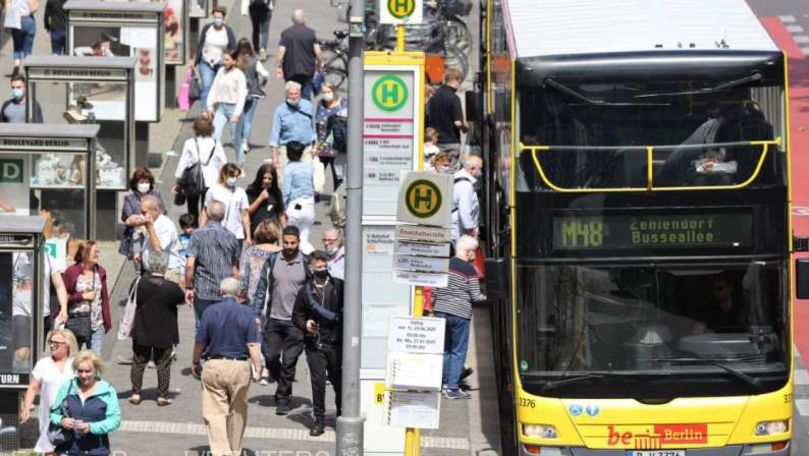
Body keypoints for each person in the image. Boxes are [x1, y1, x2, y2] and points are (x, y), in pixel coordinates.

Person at [192, 278, 262, 456]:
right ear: (239, 293)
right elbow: (253, 345)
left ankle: (222, 452)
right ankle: (235, 449)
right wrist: (258, 366)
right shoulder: (247, 313)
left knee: (215, 412)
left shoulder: (210, 311)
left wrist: (195, 361)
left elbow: (200, 341)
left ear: (220, 293)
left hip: (214, 364)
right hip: (239, 366)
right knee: (238, 411)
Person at [251, 225, 309, 415]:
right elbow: (261, 288)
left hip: (296, 322)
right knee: (271, 356)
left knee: (289, 362)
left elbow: (312, 293)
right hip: (274, 318)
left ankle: (283, 398)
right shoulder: (273, 260)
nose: (290, 246)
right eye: (286, 242)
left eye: (293, 243)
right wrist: (256, 312)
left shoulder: (305, 263)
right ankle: (279, 381)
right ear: (281, 241)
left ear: (299, 242)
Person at [292, 251, 343, 436]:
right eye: (318, 267)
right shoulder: (305, 291)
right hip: (315, 344)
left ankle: (341, 416)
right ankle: (319, 420)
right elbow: (296, 315)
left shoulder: (339, 286)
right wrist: (305, 324)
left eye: (324, 267)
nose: (322, 270)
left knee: (338, 382)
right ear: (311, 268)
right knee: (318, 383)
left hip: (336, 343)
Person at [128, 251, 185, 407]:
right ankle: (162, 395)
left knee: (138, 362)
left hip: (142, 329)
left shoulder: (138, 283)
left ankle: (136, 393)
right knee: (163, 363)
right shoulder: (171, 287)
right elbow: (181, 299)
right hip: (164, 332)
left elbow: (131, 297)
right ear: (165, 266)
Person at [432, 235, 486, 399]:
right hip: (460, 314)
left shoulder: (444, 265)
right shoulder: (469, 270)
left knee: (445, 349)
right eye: (474, 253)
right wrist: (487, 296)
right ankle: (452, 387)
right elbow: (476, 296)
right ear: (468, 252)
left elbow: (434, 291)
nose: (474, 256)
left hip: (441, 310)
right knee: (458, 351)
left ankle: (442, 383)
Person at [49, 350, 121, 455]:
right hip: (68, 450)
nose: (83, 375)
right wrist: (61, 420)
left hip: (96, 450)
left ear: (95, 370)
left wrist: (92, 427)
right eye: (80, 371)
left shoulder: (107, 390)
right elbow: (53, 413)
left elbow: (115, 420)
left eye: (88, 371)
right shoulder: (67, 387)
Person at [20, 328, 77, 456]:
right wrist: (26, 408)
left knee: (72, 448)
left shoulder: (75, 364)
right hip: (49, 415)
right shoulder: (43, 364)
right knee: (50, 448)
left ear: (67, 346)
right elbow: (33, 387)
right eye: (50, 341)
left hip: (72, 414)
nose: (52, 345)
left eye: (56, 343)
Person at [186, 201, 241, 328]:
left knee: (202, 327)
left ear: (208, 213)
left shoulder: (197, 235)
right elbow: (234, 270)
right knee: (222, 328)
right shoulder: (231, 237)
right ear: (224, 216)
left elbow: (190, 264)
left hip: (203, 289)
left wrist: (189, 286)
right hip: (224, 290)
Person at [174, 116, 228, 220]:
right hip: (212, 181)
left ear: (195, 129)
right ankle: (205, 229)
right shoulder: (216, 144)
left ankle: (193, 228)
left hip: (193, 180)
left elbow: (183, 163)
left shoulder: (190, 143)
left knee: (192, 207)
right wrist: (223, 181)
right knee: (207, 207)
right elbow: (223, 163)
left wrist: (178, 181)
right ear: (211, 129)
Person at [62, 242, 111, 353]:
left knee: (95, 362)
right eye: (95, 252)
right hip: (76, 322)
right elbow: (64, 296)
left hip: (96, 324)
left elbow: (104, 298)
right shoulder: (72, 271)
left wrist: (106, 320)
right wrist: (82, 296)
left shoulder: (100, 271)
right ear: (85, 253)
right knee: (73, 360)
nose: (97, 254)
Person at [120, 167, 166, 273]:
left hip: (154, 233)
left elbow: (162, 212)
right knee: (138, 268)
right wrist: (145, 220)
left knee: (154, 264)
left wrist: (139, 219)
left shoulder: (156, 195)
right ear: (136, 183)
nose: (144, 184)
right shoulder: (130, 199)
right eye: (141, 182)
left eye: (147, 181)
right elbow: (128, 217)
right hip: (137, 237)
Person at [205, 48, 248, 166]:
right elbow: (214, 88)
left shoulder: (239, 75)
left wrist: (237, 113)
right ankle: (216, 163)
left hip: (234, 109)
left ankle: (240, 163)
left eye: (228, 60)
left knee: (236, 140)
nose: (225, 62)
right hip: (221, 108)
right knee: (215, 135)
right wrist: (210, 106)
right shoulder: (220, 72)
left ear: (234, 61)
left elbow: (241, 95)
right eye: (224, 59)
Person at [193, 6, 237, 111]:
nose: (217, 19)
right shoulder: (207, 28)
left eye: (219, 17)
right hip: (206, 62)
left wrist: (232, 63)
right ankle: (206, 111)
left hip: (221, 64)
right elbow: (201, 44)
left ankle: (216, 110)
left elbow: (233, 48)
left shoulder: (228, 31)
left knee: (219, 88)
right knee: (207, 86)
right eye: (215, 17)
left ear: (224, 18)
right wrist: (195, 61)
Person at [134, 195, 185, 286]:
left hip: (167, 273)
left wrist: (149, 228)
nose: (142, 215)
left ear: (155, 210)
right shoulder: (153, 222)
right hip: (151, 272)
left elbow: (158, 249)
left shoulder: (165, 224)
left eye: (144, 212)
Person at [268, 81, 316, 175]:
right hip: (286, 149)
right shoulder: (280, 110)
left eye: (296, 94)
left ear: (300, 93)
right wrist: (274, 156)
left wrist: (315, 147)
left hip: (305, 148)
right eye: (291, 94)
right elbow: (275, 133)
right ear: (286, 94)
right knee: (284, 176)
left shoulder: (308, 106)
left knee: (306, 176)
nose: (294, 96)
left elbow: (314, 128)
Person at [201, 163, 252, 245]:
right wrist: (202, 229)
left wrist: (248, 236)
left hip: (236, 234)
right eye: (232, 176)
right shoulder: (213, 191)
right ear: (224, 175)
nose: (234, 179)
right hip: (216, 233)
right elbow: (205, 212)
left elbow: (245, 215)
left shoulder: (241, 193)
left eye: (236, 176)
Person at [235, 38, 269, 157]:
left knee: (239, 117)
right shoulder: (255, 61)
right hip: (253, 92)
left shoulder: (235, 61)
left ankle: (238, 139)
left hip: (238, 94)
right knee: (248, 119)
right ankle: (245, 142)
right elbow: (265, 74)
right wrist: (264, 82)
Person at [276, 9, 321, 100]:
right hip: (307, 70)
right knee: (306, 95)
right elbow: (318, 52)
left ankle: (291, 111)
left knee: (291, 94)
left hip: (290, 69)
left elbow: (281, 51)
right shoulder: (310, 33)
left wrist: (279, 66)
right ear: (304, 19)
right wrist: (319, 65)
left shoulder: (286, 33)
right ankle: (305, 112)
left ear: (293, 20)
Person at [427, 68, 467, 168]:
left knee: (437, 171)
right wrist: (465, 128)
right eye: (460, 82)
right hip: (451, 143)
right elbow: (457, 123)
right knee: (450, 173)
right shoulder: (454, 98)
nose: (459, 85)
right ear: (455, 80)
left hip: (435, 142)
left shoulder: (433, 96)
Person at [240, 220, 282, 306]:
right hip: (277, 296)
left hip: (253, 296)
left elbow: (244, 276)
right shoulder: (281, 252)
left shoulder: (251, 251)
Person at [282, 141, 316, 246]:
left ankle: (314, 256)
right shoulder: (308, 167)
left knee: (292, 241)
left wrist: (281, 208)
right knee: (303, 240)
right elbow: (312, 186)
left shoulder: (289, 169)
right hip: (309, 206)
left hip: (295, 206)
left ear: (288, 153)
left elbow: (286, 192)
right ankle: (308, 259)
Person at [315, 82, 348, 188]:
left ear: (334, 92)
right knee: (317, 175)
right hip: (322, 146)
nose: (326, 94)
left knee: (338, 176)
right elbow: (316, 122)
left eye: (328, 91)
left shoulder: (344, 104)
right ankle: (314, 195)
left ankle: (338, 197)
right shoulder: (321, 104)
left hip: (337, 147)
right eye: (323, 92)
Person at [246, 163, 286, 234]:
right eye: (264, 178)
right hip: (255, 232)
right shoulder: (251, 191)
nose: (266, 181)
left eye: (270, 179)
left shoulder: (276, 192)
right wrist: (260, 198)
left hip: (272, 232)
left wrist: (285, 231)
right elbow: (247, 212)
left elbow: (281, 214)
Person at [451, 156, 483, 243]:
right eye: (480, 169)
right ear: (472, 169)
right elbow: (464, 210)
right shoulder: (465, 185)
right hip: (459, 231)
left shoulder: (455, 177)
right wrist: (471, 230)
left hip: (456, 228)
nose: (480, 173)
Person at [5, 0, 38, 74]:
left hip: (16, 21)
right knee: (28, 49)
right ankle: (27, 68)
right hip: (28, 20)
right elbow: (33, 8)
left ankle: (16, 65)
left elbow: (6, 9)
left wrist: (7, 25)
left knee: (17, 47)